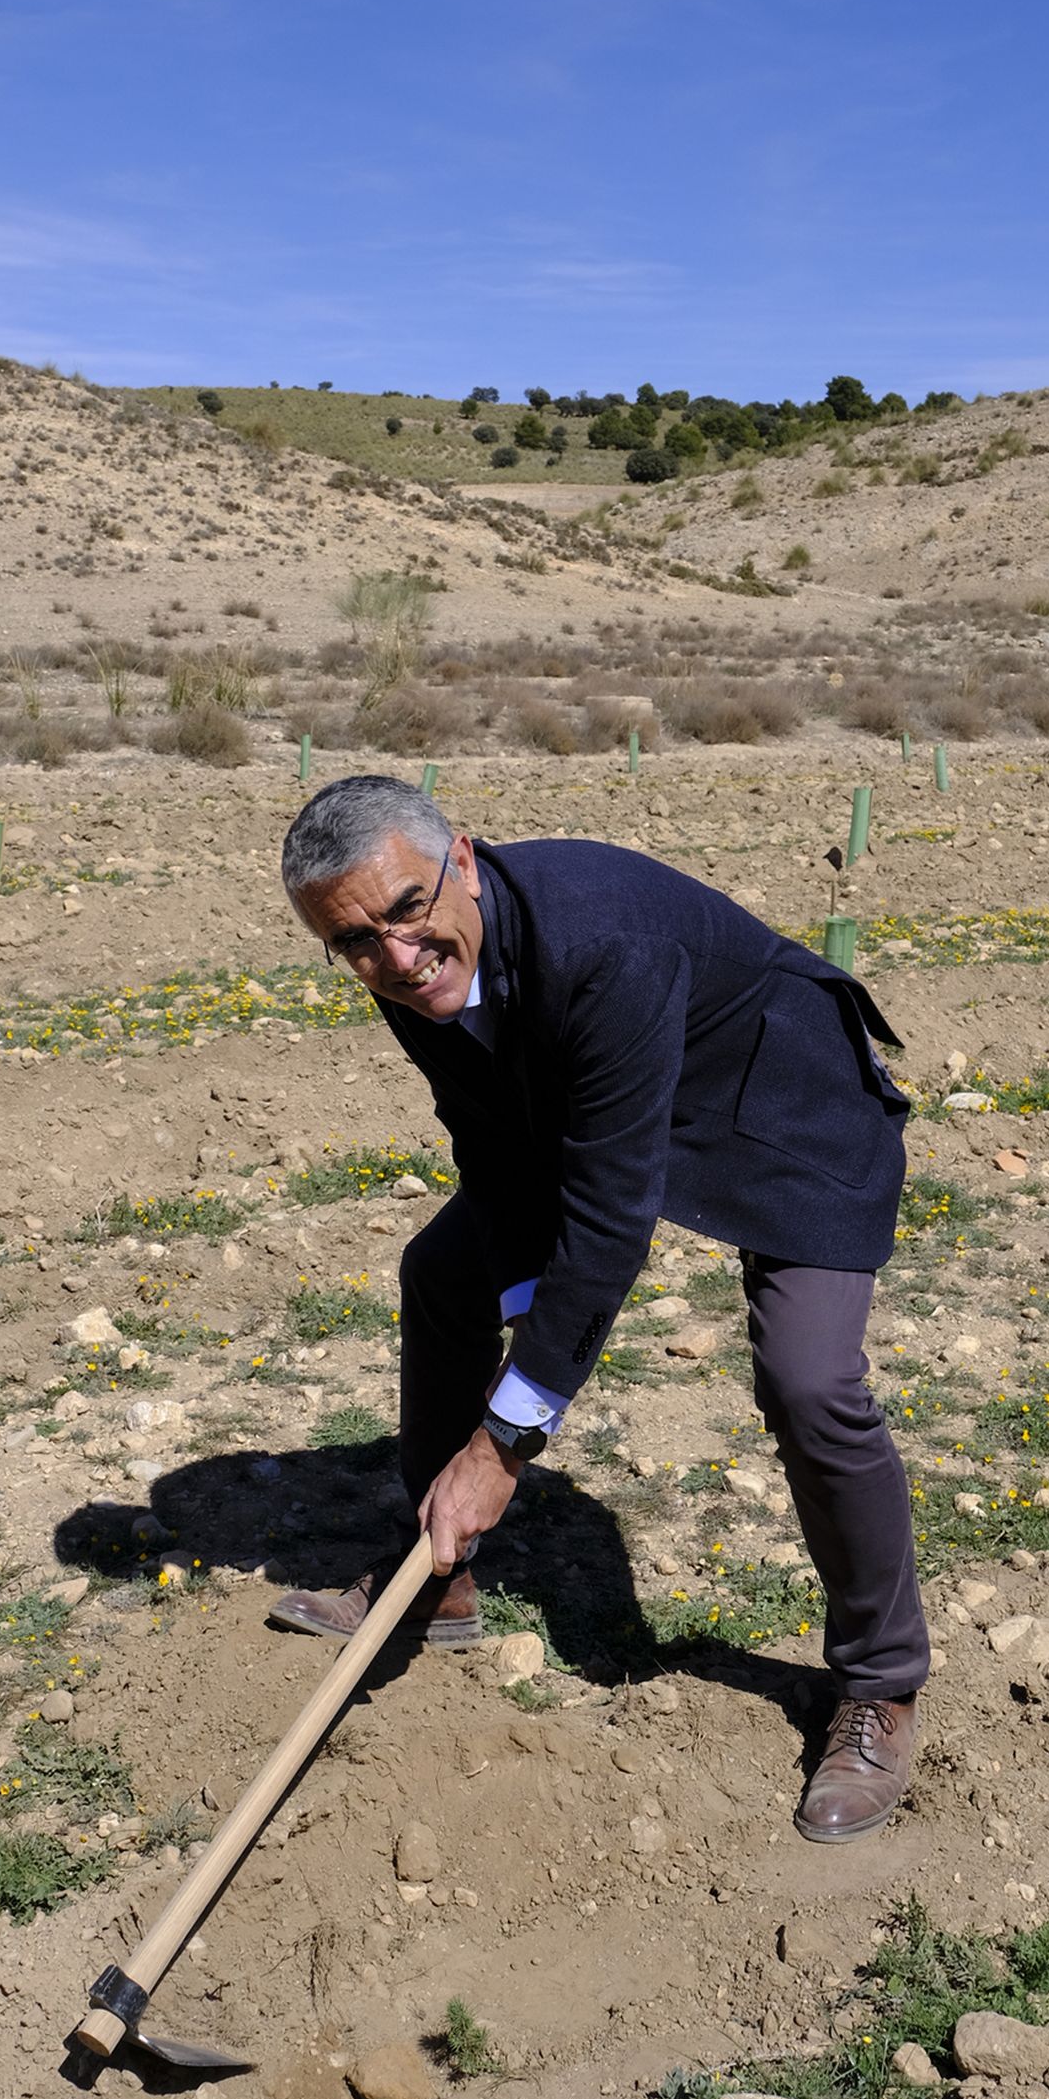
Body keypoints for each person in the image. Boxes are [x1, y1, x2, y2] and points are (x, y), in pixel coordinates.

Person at [270, 774, 928, 1844]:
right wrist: (527, 1323)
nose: (392, 954)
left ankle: (881, 1685)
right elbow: (494, 1150)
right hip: (605, 1109)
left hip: (780, 1110)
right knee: (444, 1276)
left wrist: (508, 1434)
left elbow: (608, 1219)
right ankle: (436, 1575)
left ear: (465, 862)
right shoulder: (414, 975)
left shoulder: (600, 942)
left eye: (404, 910)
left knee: (809, 1375)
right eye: (352, 940)